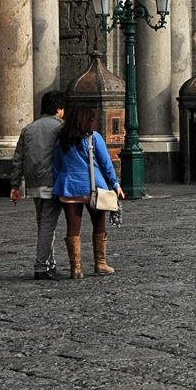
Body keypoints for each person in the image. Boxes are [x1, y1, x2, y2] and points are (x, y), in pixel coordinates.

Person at [52, 106, 124, 279]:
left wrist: (56, 185)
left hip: (69, 188)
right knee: (99, 224)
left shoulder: (61, 140)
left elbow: (56, 166)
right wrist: (115, 184)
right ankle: (100, 263)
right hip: (94, 188)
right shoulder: (94, 138)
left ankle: (75, 268)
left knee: (73, 228)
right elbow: (105, 163)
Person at [9, 90, 66, 280]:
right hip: (52, 182)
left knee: (43, 224)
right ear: (59, 108)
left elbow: (18, 159)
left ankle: (50, 263)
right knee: (47, 226)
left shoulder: (29, 128)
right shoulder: (60, 128)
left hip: (33, 183)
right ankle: (41, 266)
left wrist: (15, 186)